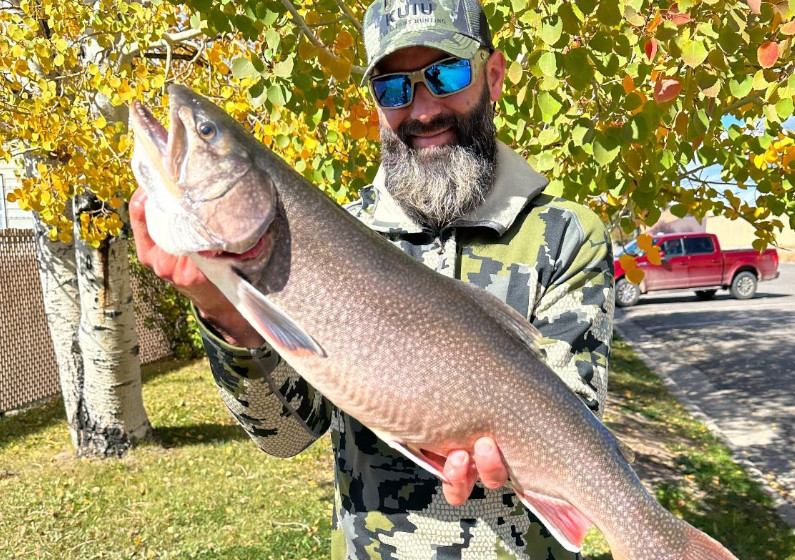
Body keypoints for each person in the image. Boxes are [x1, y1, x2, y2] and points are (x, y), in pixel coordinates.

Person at [130, 0, 615, 557]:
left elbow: (578, 419)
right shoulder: (342, 230)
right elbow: (289, 434)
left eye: (448, 72)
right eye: (392, 88)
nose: (423, 108)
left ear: (494, 75)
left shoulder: (567, 234)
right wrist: (220, 309)